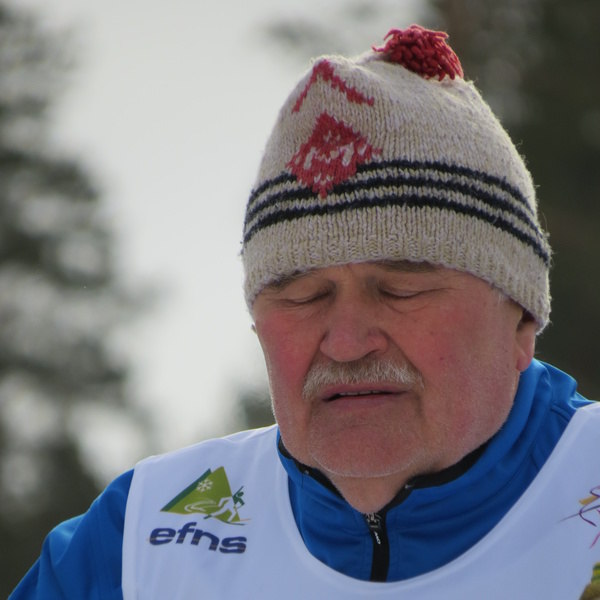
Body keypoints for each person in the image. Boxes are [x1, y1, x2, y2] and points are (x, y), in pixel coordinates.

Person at [10, 24, 600, 599]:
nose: (346, 342)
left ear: (521, 318)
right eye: (303, 296)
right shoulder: (137, 547)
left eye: (400, 289)